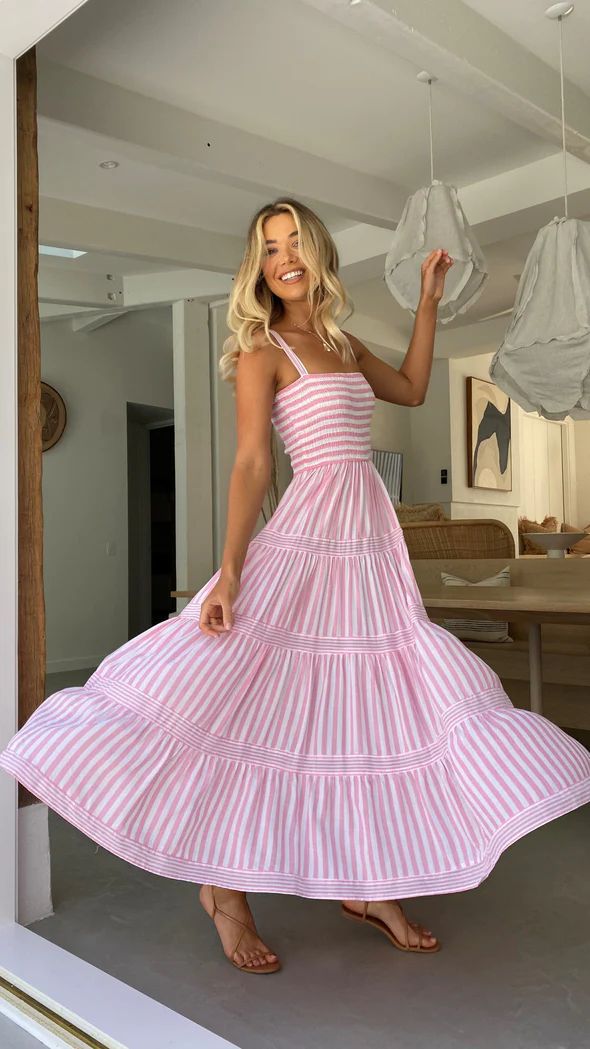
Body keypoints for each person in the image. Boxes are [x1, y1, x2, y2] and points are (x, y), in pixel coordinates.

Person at [1, 198, 590, 977]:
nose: (283, 258)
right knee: (251, 697)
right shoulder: (263, 348)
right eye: (269, 247)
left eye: (293, 242)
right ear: (260, 266)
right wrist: (231, 570)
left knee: (366, 707)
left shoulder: (342, 342)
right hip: (307, 534)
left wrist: (427, 303)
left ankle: (369, 887)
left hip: (365, 545)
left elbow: (414, 388)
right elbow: (253, 461)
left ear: (316, 253)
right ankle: (224, 889)